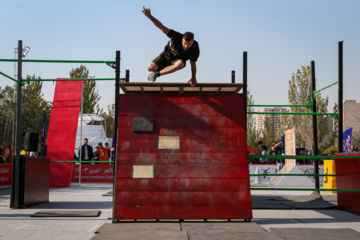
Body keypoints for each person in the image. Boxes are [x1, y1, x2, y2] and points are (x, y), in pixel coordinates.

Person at [142, 6, 200, 86]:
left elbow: (193, 65)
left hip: (177, 61)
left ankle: (157, 74)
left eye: (189, 44)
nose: (186, 46)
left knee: (180, 64)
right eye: (184, 43)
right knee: (150, 68)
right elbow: (161, 27)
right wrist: (149, 16)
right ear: (182, 39)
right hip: (165, 55)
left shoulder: (195, 48)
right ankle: (162, 70)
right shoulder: (176, 36)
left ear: (192, 41)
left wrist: (193, 77)